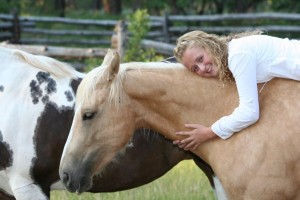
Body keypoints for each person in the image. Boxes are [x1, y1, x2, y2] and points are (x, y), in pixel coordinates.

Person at [173, 30, 300, 151]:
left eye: (200, 59)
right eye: (195, 69)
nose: (202, 68)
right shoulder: (235, 51)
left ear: (209, 45)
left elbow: (249, 112)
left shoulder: (237, 55)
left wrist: (209, 132)